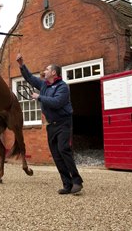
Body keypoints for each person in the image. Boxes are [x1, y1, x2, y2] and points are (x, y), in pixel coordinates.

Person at [16, 53, 83, 195]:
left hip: (64, 123)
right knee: (56, 155)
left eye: (46, 69)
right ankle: (67, 184)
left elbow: (57, 102)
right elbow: (29, 78)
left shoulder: (62, 87)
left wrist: (39, 97)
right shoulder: (44, 84)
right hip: (51, 125)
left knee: (64, 149)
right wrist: (22, 65)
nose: (44, 71)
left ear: (53, 72)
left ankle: (77, 181)